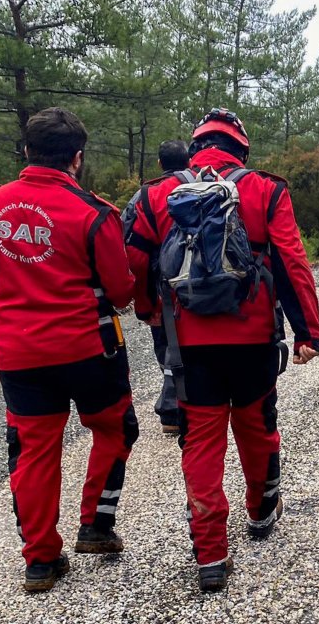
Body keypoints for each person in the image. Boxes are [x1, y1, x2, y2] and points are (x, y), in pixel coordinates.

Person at [126, 108, 319, 592]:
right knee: (258, 429)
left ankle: (211, 553)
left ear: (195, 147)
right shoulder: (266, 190)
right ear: (242, 149)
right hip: (253, 338)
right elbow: (291, 262)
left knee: (200, 443)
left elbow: (136, 260)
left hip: (189, 345)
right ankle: (261, 512)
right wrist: (307, 332)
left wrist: (148, 309)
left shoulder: (156, 194)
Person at [0, 108, 137, 592]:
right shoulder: (94, 213)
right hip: (89, 347)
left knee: (33, 449)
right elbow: (121, 289)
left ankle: (40, 560)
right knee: (114, 427)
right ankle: (96, 526)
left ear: (26, 151)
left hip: (18, 350)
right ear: (77, 158)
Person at [123, 139, 190, 434]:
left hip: (162, 290)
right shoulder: (204, 186)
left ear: (160, 163)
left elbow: (134, 255)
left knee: (166, 346)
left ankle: (173, 410)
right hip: (201, 286)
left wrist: (143, 303)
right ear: (189, 161)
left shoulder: (145, 197)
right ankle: (191, 405)